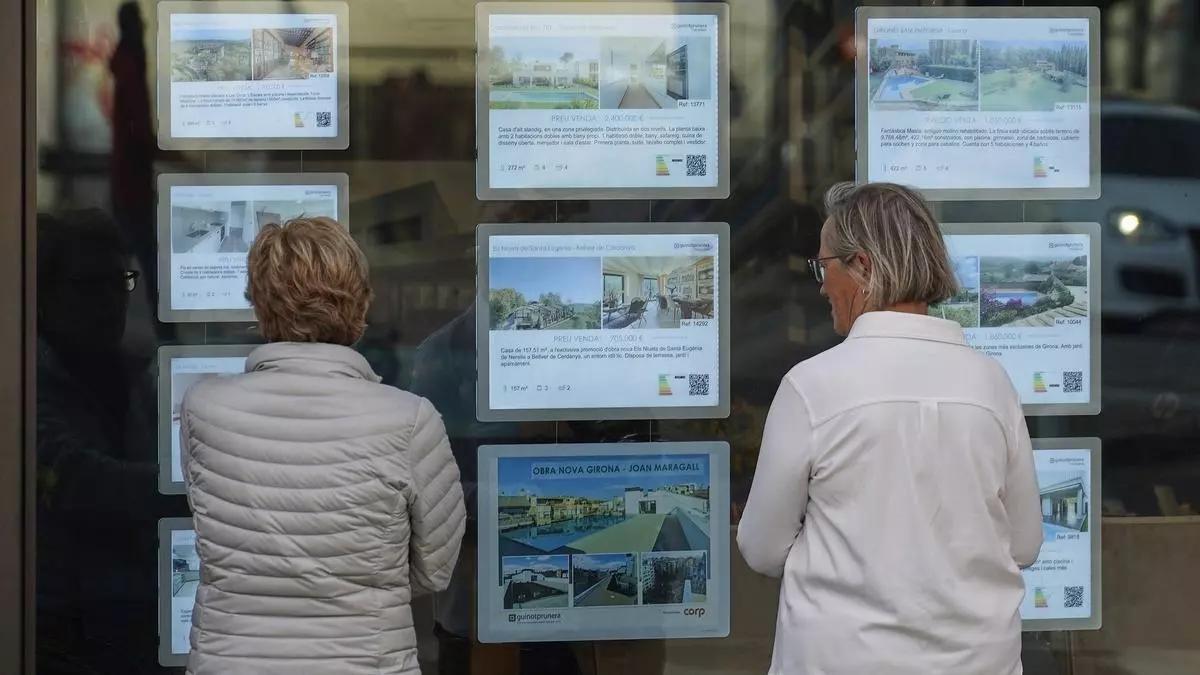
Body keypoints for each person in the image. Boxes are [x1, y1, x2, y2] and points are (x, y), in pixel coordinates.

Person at [737, 182, 1043, 675]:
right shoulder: (992, 384)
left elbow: (762, 547)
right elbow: (1024, 543)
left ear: (862, 265)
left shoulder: (812, 387)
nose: (820, 285)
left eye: (823, 266)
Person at [180, 217, 467, 675]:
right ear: (361, 304)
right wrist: (364, 579)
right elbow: (434, 569)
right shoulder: (409, 420)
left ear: (259, 306)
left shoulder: (202, 408)